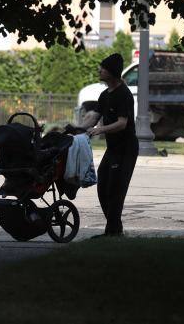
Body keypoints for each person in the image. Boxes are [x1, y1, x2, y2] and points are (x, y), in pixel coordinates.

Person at [81, 53, 139, 237]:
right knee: (103, 186)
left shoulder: (124, 94)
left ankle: (112, 232)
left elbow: (123, 123)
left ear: (112, 73)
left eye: (103, 68)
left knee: (115, 190)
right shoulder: (105, 95)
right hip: (113, 149)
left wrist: (101, 130)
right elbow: (94, 116)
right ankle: (115, 229)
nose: (100, 70)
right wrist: (77, 128)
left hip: (126, 149)